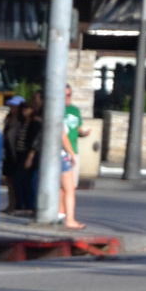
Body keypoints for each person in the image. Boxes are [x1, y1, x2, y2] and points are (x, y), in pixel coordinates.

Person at [60, 86, 85, 228]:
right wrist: (72, 154)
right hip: (64, 154)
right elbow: (63, 137)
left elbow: (78, 129)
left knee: (64, 187)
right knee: (68, 189)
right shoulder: (58, 112)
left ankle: (60, 215)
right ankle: (69, 219)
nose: (67, 97)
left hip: (64, 153)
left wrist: (84, 133)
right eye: (65, 95)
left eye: (69, 95)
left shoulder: (74, 110)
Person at [1, 94, 26, 213]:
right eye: (11, 105)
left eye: (15, 105)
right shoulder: (8, 119)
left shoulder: (23, 121)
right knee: (9, 181)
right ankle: (11, 205)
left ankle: (18, 205)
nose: (12, 107)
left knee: (18, 181)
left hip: (18, 154)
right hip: (8, 153)